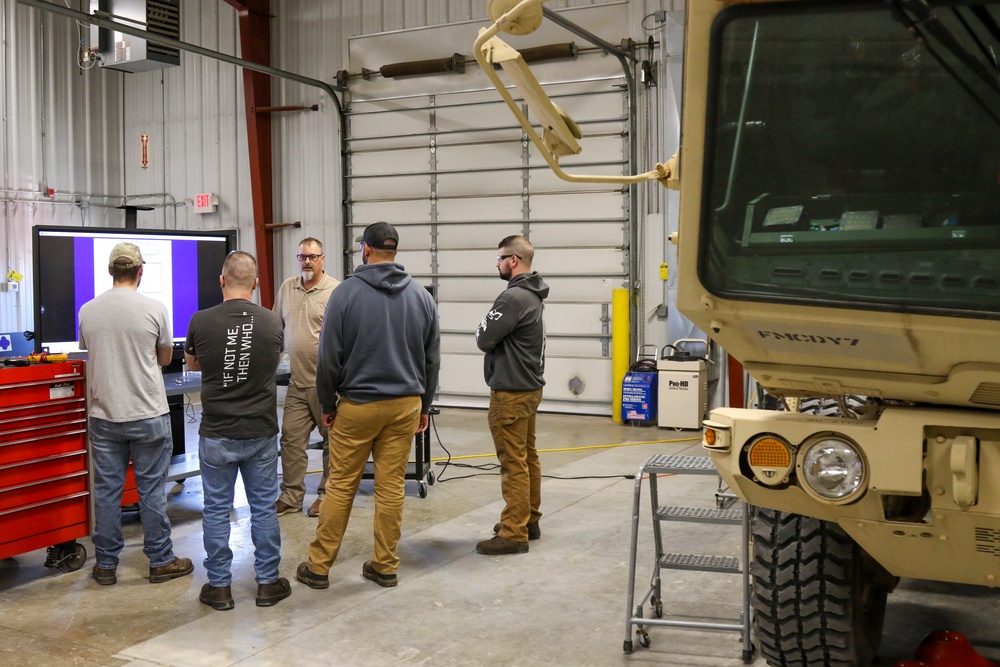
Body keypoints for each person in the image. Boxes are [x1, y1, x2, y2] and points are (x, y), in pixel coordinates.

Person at [296, 221, 439, 591]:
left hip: (358, 404)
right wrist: (424, 405)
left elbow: (328, 357)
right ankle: (385, 566)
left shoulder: (344, 294)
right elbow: (431, 360)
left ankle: (319, 567)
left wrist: (327, 402)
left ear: (366, 250)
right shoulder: (421, 297)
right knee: (391, 488)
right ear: (395, 251)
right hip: (405, 406)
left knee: (341, 484)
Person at [78, 241, 194, 585]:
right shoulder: (154, 308)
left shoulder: (87, 310)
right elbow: (164, 359)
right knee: (152, 492)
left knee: (107, 492)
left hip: (104, 415)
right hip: (147, 413)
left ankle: (106, 565)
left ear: (110, 271)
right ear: (140, 271)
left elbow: (88, 351)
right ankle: (160, 561)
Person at [184, 251, 290, 611]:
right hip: (260, 430)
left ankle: (219, 588)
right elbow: (273, 362)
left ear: (221, 280)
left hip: (217, 431)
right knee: (263, 509)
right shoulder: (272, 322)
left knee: (216, 510)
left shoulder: (200, 320)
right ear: (256, 284)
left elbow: (193, 364)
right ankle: (268, 583)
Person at [474, 235, 549, 555]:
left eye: (500, 258)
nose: (497, 264)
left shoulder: (512, 298)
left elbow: (483, 338)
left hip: (511, 393)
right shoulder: (533, 295)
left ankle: (514, 532)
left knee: (513, 462)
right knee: (527, 457)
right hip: (529, 388)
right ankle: (528, 519)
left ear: (513, 260)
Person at [273, 237, 340, 517]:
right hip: (297, 383)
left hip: (328, 386)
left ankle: (327, 496)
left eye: (312, 257)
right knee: (290, 440)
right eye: (302, 257)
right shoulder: (288, 287)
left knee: (332, 444)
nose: (307, 262)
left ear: (322, 259)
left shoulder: (336, 291)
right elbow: (276, 328)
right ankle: (291, 497)